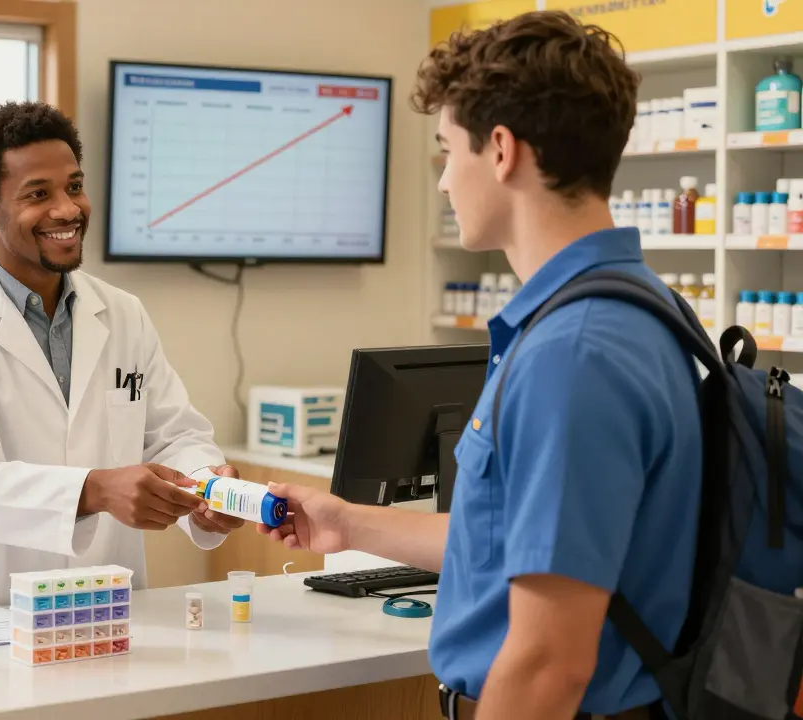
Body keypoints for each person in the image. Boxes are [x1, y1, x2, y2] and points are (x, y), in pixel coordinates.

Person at [260, 12, 700, 720]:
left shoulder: (572, 354)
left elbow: (548, 661)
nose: (443, 183)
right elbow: (516, 541)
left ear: (501, 151)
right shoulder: (635, 307)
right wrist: (349, 523)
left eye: (446, 152)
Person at [0, 101, 243, 610]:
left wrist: (205, 490)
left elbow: (173, 434)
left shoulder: (122, 313)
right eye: (38, 194)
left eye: (74, 186)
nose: (69, 209)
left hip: (109, 604)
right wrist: (94, 491)